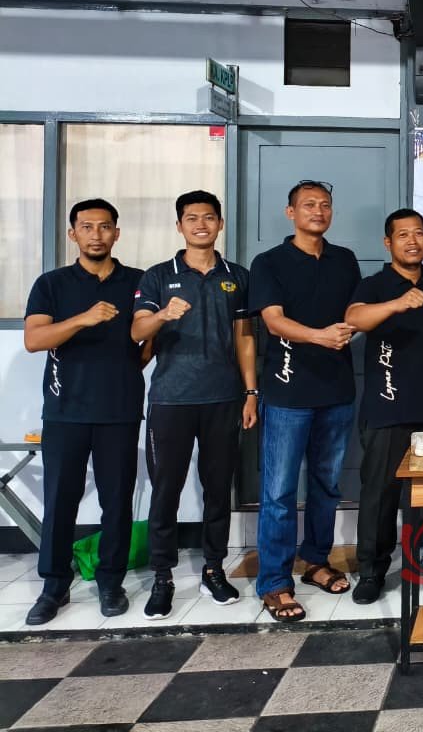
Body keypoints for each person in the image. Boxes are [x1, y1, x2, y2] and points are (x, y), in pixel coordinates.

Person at [131, 190, 257, 620]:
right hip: (171, 399)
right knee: (165, 489)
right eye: (191, 218)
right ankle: (162, 577)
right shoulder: (157, 276)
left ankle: (213, 569)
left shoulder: (236, 276)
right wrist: (162, 315)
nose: (200, 224)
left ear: (220, 223)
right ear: (179, 226)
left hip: (224, 398)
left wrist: (251, 392)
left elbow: (245, 338)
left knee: (218, 488)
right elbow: (136, 332)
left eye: (208, 217)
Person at [23, 199, 145, 624]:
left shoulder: (138, 281)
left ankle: (111, 582)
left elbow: (149, 340)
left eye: (105, 226)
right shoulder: (52, 284)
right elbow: (34, 340)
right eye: (87, 227)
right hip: (65, 410)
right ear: (72, 234)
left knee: (117, 500)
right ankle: (54, 586)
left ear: (117, 233)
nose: (96, 234)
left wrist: (132, 365)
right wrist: (82, 319)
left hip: (120, 410)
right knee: (60, 500)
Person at [249, 180, 362, 622]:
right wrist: (319, 336)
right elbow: (273, 321)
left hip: (337, 391)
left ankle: (315, 560)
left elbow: (354, 314)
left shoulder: (344, 259)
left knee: (326, 485)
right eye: (309, 204)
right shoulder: (269, 262)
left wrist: (355, 326)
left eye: (325, 205)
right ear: (290, 212)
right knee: (279, 492)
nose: (318, 211)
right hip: (288, 392)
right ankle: (274, 582)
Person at [346, 209, 423, 603]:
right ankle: (371, 572)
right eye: (403, 234)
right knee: (379, 496)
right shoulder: (374, 285)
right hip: (388, 409)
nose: (412, 241)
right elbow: (355, 319)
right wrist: (396, 304)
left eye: (419, 233)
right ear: (388, 243)